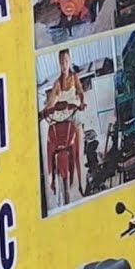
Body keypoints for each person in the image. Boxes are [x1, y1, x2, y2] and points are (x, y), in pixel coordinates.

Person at [41, 49, 86, 202]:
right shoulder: (57, 84)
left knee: (79, 153)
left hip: (74, 117)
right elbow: (51, 101)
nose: (64, 65)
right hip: (61, 119)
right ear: (58, 63)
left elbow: (80, 92)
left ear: (69, 60)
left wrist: (81, 102)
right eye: (61, 62)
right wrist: (43, 112)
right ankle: (51, 178)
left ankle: (81, 185)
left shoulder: (74, 78)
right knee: (50, 142)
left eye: (66, 61)